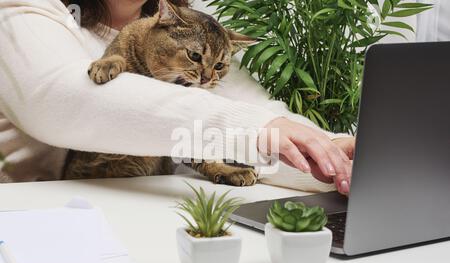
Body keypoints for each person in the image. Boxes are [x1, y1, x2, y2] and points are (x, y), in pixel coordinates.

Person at [0, 0, 356, 194]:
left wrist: (329, 157)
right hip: (45, 230)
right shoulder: (24, 8)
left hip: (149, 212)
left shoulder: (190, 26)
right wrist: (257, 129)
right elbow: (64, 99)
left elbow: (254, 109)